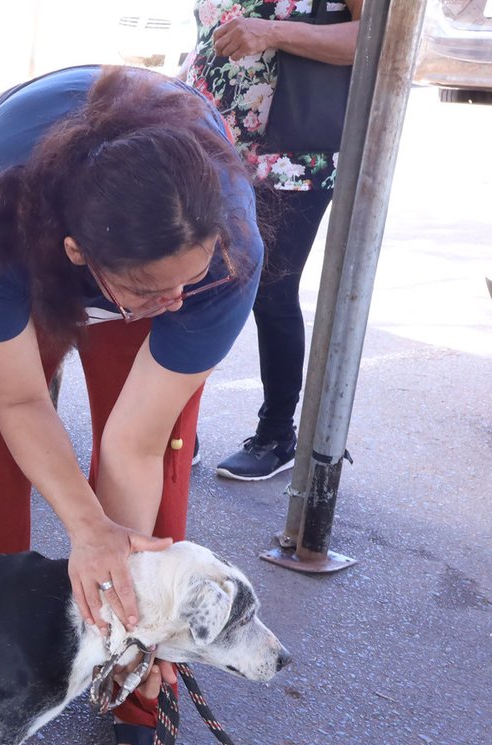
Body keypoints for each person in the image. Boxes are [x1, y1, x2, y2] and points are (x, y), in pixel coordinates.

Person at [0, 65, 263, 745]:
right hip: (16, 237)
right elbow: (22, 402)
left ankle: (133, 676)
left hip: (152, 237)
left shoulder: (222, 252)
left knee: (161, 468)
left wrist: (125, 595)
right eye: (152, 289)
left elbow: (134, 443)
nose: (175, 300)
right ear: (78, 255)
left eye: (186, 281)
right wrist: (86, 528)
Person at [182, 1, 363, 481]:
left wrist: (274, 32)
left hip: (289, 154)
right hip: (207, 139)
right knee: (186, 280)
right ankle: (177, 426)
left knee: (272, 290)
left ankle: (277, 435)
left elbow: (371, 38)